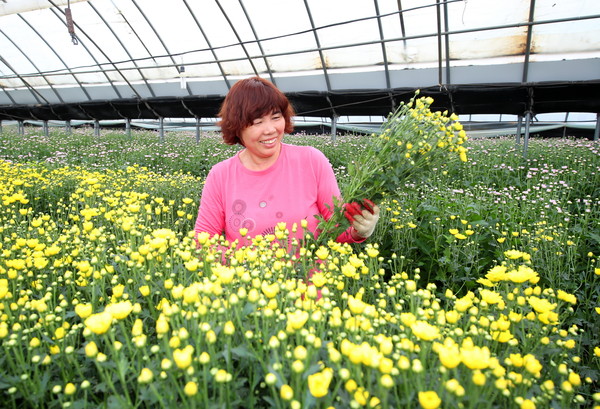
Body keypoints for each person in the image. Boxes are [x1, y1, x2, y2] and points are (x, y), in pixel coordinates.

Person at [194, 76, 379, 248]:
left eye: (276, 118)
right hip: (245, 281)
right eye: (257, 122)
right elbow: (203, 241)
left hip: (311, 280)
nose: (270, 130)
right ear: (236, 126)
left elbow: (335, 227)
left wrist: (358, 230)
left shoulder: (311, 161)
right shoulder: (221, 175)